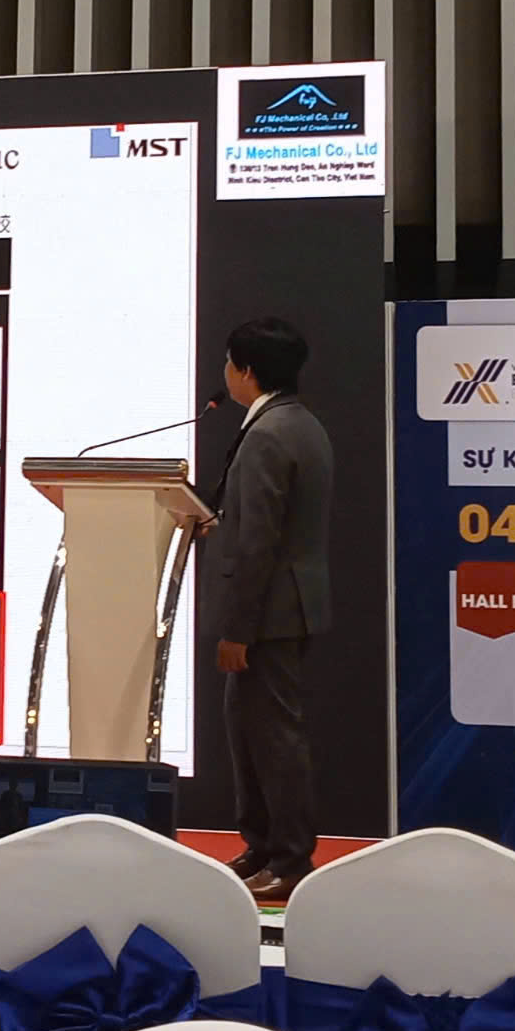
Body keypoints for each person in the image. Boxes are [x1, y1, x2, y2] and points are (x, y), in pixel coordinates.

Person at [206, 316, 334, 903]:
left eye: (230, 363)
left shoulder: (268, 433)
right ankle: (262, 846)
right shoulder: (298, 422)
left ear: (247, 370)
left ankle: (289, 858)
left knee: (274, 739)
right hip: (286, 605)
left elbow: (260, 542)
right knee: (249, 732)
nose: (226, 373)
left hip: (269, 614)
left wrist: (238, 630)